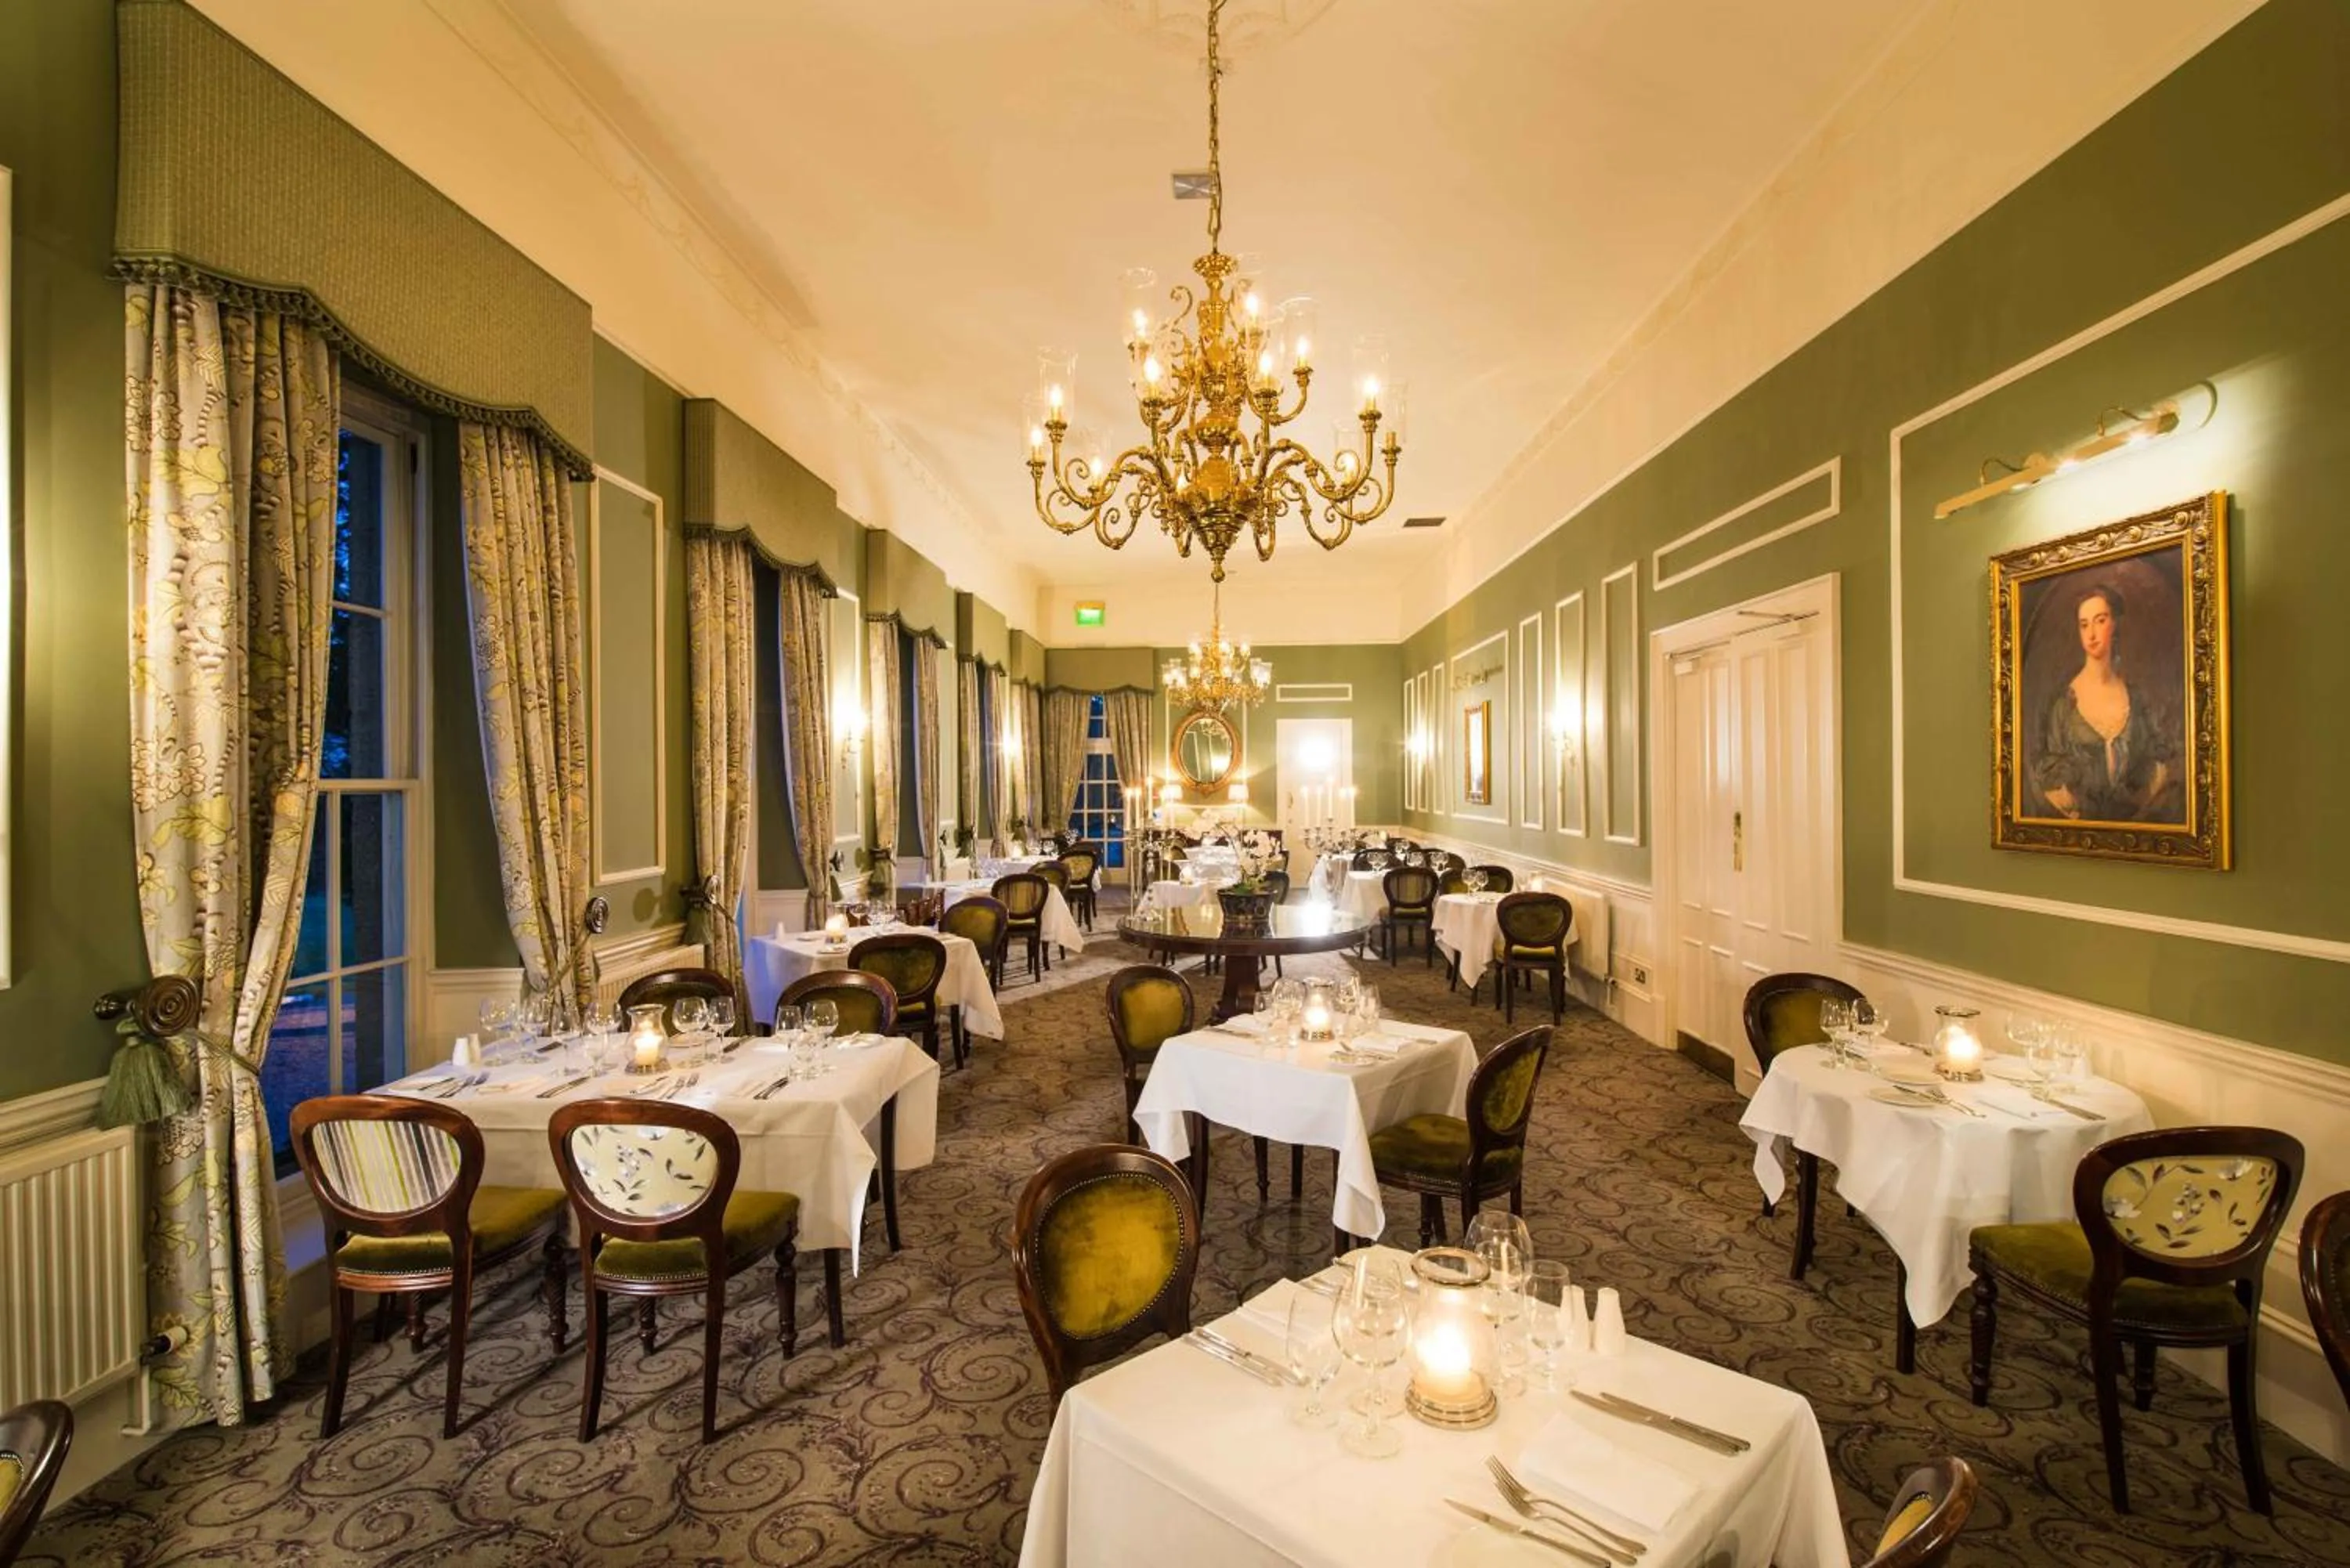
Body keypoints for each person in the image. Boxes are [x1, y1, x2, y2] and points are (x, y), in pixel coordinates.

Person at [2031, 583, 2181, 822]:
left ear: (2115, 624)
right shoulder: (2064, 703)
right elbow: (2050, 779)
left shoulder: (2136, 699)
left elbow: (2160, 763)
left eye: (2100, 621)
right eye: (2084, 624)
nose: (2091, 634)